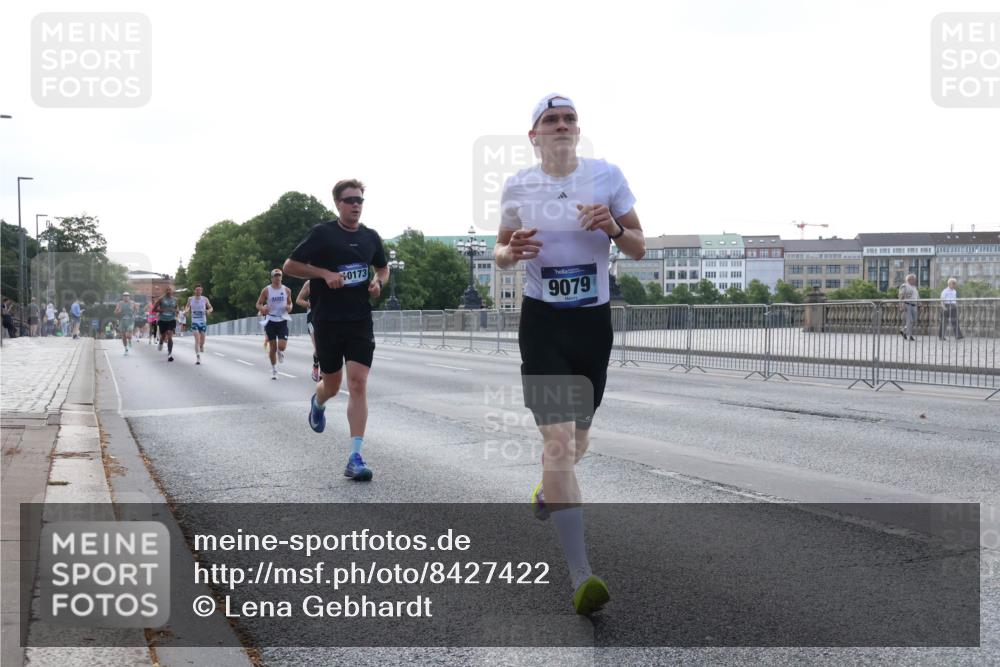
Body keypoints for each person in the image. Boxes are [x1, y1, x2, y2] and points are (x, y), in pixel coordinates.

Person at [493, 94, 645, 615]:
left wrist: (614, 228)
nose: (561, 126)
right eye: (550, 120)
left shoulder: (607, 176)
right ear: (534, 135)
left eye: (569, 119)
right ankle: (581, 574)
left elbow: (640, 246)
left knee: (576, 443)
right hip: (542, 324)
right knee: (557, 443)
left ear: (578, 131)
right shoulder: (518, 186)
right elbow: (499, 252)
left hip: (591, 326)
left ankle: (548, 487)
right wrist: (511, 253)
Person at [283, 178, 389, 481]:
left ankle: (355, 456)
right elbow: (290, 265)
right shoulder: (322, 234)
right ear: (338, 204)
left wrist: (378, 281)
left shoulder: (371, 238)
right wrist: (323, 273)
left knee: (357, 384)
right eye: (350, 200)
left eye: (360, 201)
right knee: (332, 385)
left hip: (359, 320)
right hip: (328, 320)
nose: (356, 205)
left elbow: (382, 267)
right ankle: (318, 403)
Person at [256, 269, 294, 380]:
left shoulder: (287, 290)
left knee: (281, 346)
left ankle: (280, 351)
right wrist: (262, 308)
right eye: (275, 276)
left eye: (279, 275)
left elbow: (290, 303)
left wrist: (289, 307)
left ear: (281, 277)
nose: (277, 277)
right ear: (272, 278)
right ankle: (274, 370)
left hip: (282, 320)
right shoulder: (266, 290)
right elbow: (258, 304)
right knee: (272, 347)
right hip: (270, 321)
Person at [296, 280, 321, 382]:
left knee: (327, 347)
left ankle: (325, 373)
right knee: (319, 348)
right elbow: (298, 300)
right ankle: (316, 366)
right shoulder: (310, 283)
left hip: (327, 317)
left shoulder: (331, 279)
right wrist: (309, 304)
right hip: (313, 318)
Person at [185, 284, 214, 364]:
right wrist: (186, 311)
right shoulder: (190, 299)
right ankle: (198, 357)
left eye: (199, 290)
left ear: (201, 291)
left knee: (202, 340)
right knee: (197, 339)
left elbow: (211, 308)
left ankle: (201, 346)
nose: (198, 291)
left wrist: (208, 311)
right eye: (196, 290)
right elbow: (187, 307)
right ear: (194, 291)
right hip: (194, 321)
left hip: (203, 321)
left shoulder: (205, 299)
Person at [153, 286, 179, 361]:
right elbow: (154, 309)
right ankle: (161, 342)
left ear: (172, 291)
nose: (168, 291)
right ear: (165, 291)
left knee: (170, 335)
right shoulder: (161, 299)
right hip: (163, 320)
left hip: (171, 319)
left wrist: (176, 311)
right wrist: (162, 310)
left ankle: (169, 354)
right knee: (163, 336)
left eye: (170, 290)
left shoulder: (175, 299)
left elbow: (177, 308)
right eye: (167, 290)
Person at [898, 273, 919, 342]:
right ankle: (910, 336)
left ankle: (903, 330)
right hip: (907, 305)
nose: (914, 280)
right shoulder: (904, 286)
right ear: (909, 279)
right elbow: (901, 296)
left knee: (913, 321)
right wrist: (901, 305)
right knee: (910, 321)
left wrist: (921, 304)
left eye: (914, 279)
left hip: (914, 305)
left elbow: (917, 297)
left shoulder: (914, 287)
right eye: (913, 279)